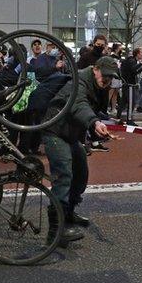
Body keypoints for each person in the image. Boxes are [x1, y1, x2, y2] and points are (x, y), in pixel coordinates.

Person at [41, 56, 117, 246]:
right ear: (95, 69)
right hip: (55, 130)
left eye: (110, 77)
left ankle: (68, 213)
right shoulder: (80, 80)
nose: (107, 80)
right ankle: (55, 232)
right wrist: (94, 122)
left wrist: (97, 126)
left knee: (81, 171)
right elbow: (79, 105)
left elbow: (92, 111)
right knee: (64, 174)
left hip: (70, 133)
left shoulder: (99, 86)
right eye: (105, 75)